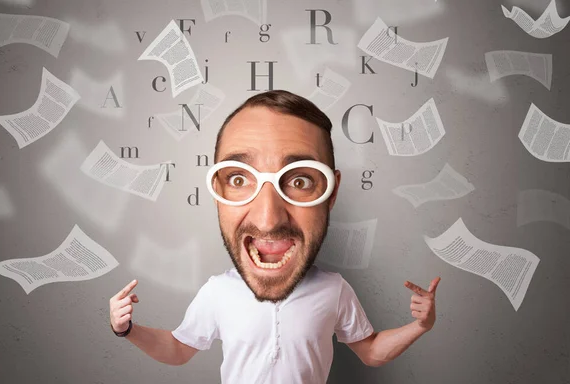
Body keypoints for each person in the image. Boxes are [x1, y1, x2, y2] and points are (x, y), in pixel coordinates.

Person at [109, 90, 441, 384]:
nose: (268, 220)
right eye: (239, 179)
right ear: (218, 192)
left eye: (299, 181)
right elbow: (180, 350)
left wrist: (420, 326)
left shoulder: (335, 290)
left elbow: (370, 352)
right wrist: (127, 330)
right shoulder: (217, 291)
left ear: (332, 192)